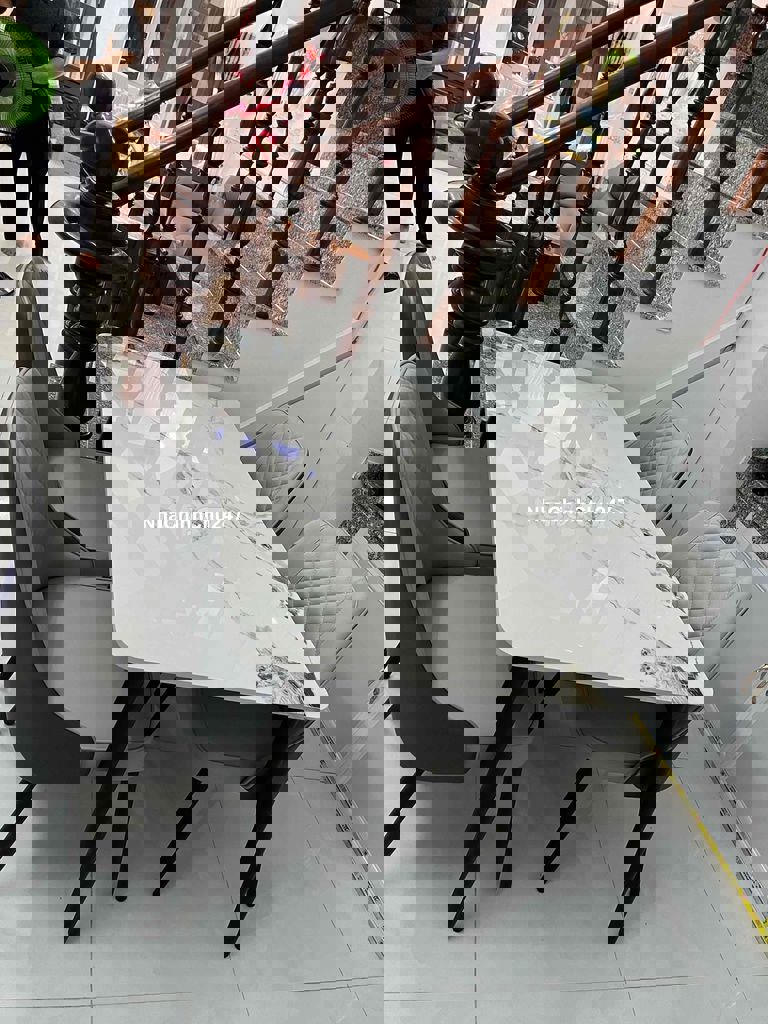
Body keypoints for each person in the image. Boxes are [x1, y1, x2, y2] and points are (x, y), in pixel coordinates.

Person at [1, 0, 77, 255]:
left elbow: (59, 62)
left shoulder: (54, 11)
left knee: (33, 171)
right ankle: (25, 233)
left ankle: (33, 234)